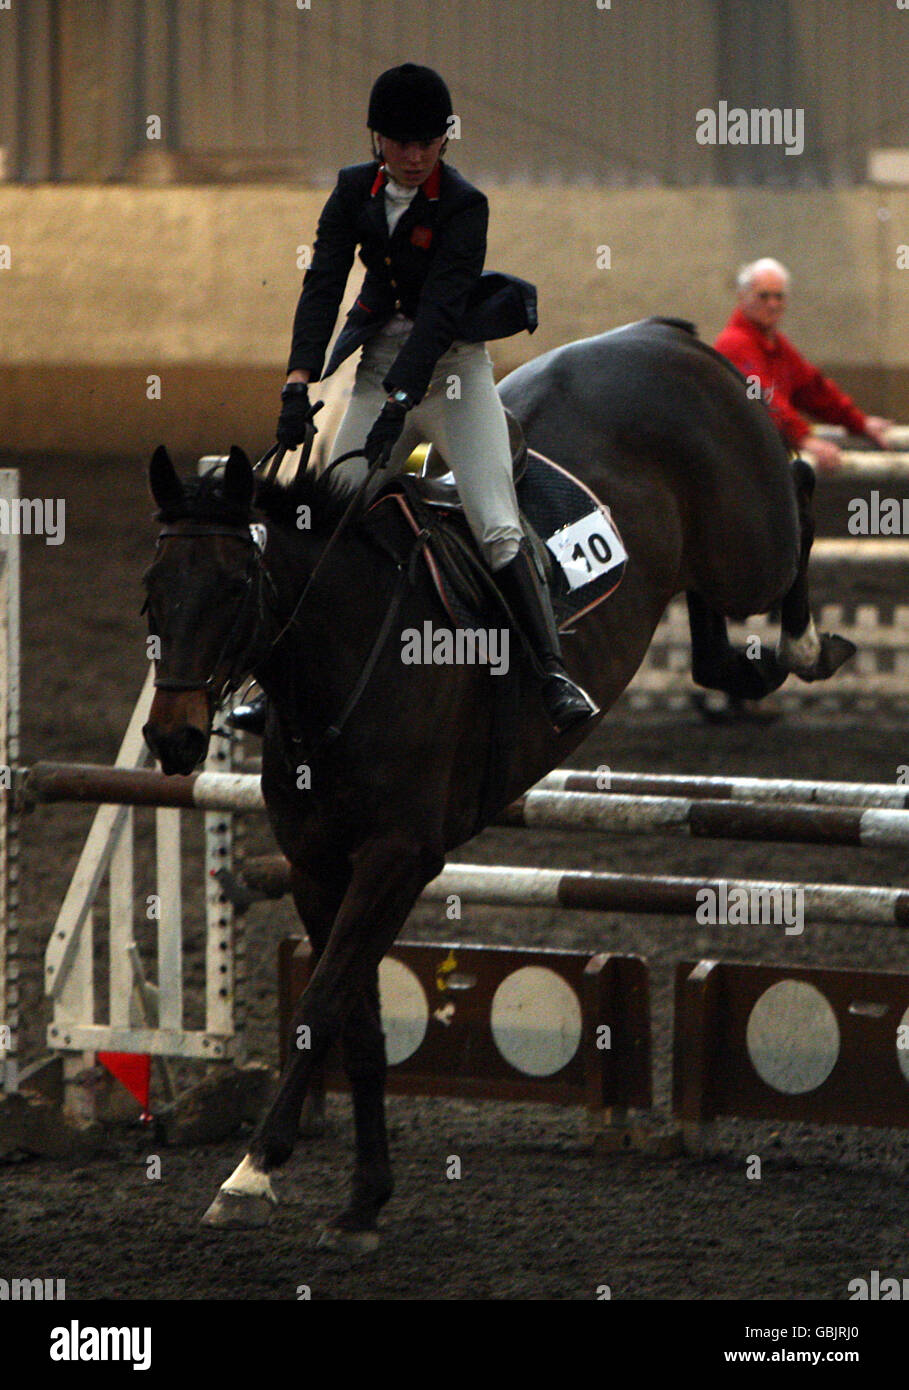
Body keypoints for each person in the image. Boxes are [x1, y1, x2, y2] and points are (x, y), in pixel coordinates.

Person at [231, 63, 597, 736]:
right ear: (376, 139)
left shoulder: (464, 204)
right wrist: (296, 383)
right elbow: (322, 287)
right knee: (327, 515)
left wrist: (404, 403)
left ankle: (550, 674)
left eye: (426, 142)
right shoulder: (350, 192)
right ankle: (273, 684)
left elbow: (440, 313)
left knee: (495, 522)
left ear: (443, 142)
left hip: (454, 376)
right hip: (375, 372)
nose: (414, 155)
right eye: (401, 142)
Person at [714, 258, 891, 469]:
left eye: (779, 296)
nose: (773, 304)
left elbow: (814, 390)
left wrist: (859, 422)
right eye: (763, 296)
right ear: (742, 297)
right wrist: (804, 440)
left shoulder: (775, 345)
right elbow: (763, 399)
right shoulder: (735, 344)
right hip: (739, 467)